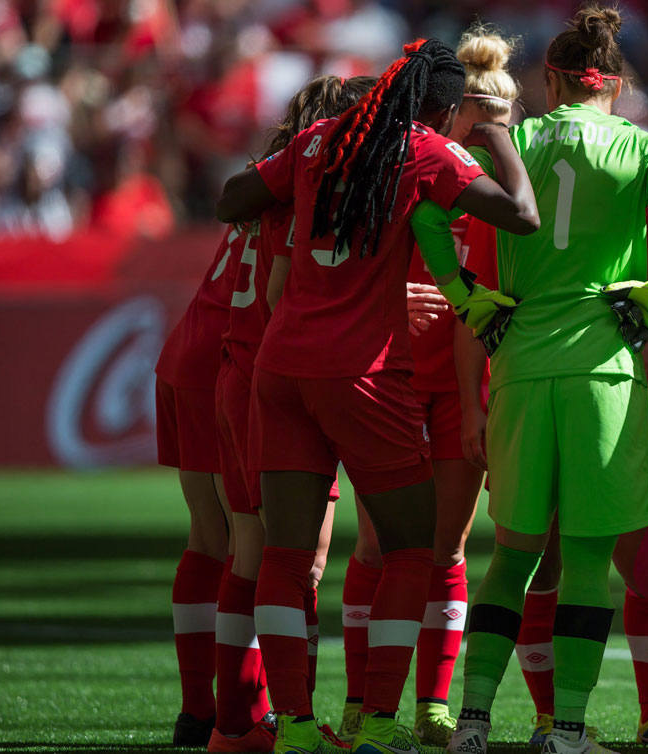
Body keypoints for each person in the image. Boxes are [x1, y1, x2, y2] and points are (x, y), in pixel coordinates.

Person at [216, 37, 539, 754]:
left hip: (281, 368)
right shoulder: (425, 149)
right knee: (411, 551)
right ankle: (383, 725)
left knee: (285, 554)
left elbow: (232, 197)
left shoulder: (319, 138)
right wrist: (496, 137)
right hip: (362, 373)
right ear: (444, 108)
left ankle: (296, 727)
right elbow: (522, 213)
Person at [435, 7, 648, 754]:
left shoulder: (518, 140)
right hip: (604, 370)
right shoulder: (637, 143)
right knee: (592, 564)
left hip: (522, 364)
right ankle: (566, 731)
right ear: (615, 84)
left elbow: (428, 214)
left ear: (554, 79)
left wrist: (468, 300)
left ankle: (471, 726)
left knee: (515, 556)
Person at [335, 25, 522, 748]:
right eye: (485, 117)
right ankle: (361, 702)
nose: (495, 130)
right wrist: (402, 301)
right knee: (382, 546)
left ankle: (432, 705)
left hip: (462, 383)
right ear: (455, 111)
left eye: (505, 121)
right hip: (393, 376)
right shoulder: (407, 161)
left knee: (446, 550)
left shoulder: (503, 184)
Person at [211, 73, 374, 754]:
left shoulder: (271, 187)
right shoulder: (306, 199)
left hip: (239, 369)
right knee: (289, 561)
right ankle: (265, 721)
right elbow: (282, 293)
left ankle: (248, 720)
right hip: (277, 380)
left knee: (250, 552)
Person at [508, 206, 648, 749]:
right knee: (542, 565)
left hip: (610, 382)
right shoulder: (519, 162)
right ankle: (550, 718)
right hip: (534, 377)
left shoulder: (630, 169)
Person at [156, 197, 242, 750]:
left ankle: (197, 712)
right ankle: (247, 714)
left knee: (209, 538)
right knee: (258, 545)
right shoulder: (314, 189)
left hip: (186, 353)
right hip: (230, 359)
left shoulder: (266, 184)